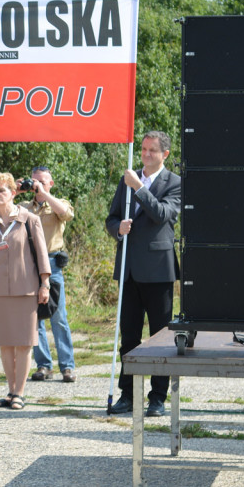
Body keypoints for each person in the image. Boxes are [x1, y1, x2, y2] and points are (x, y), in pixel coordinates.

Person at [105, 131, 181, 417]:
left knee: (161, 337)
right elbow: (111, 218)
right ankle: (128, 393)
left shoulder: (174, 183)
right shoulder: (128, 179)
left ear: (165, 155)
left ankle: (158, 397)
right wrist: (117, 229)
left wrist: (139, 188)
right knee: (129, 337)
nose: (146, 154)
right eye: (144, 149)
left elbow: (162, 214)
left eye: (152, 150)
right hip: (129, 270)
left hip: (158, 271)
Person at [0, 172, 51, 411]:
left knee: (23, 343)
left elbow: (42, 254)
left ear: (13, 192)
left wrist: (45, 283)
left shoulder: (29, 219)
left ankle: (20, 393)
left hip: (26, 288)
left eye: (2, 190)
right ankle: (10, 392)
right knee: (4, 343)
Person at [22, 166, 77, 383]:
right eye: (35, 182)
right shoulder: (25, 207)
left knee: (58, 316)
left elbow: (67, 214)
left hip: (53, 264)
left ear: (51, 184)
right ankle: (43, 365)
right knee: (34, 318)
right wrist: (15, 190)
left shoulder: (57, 203)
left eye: (43, 182)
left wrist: (45, 195)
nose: (38, 186)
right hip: (29, 264)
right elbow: (3, 213)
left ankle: (67, 366)